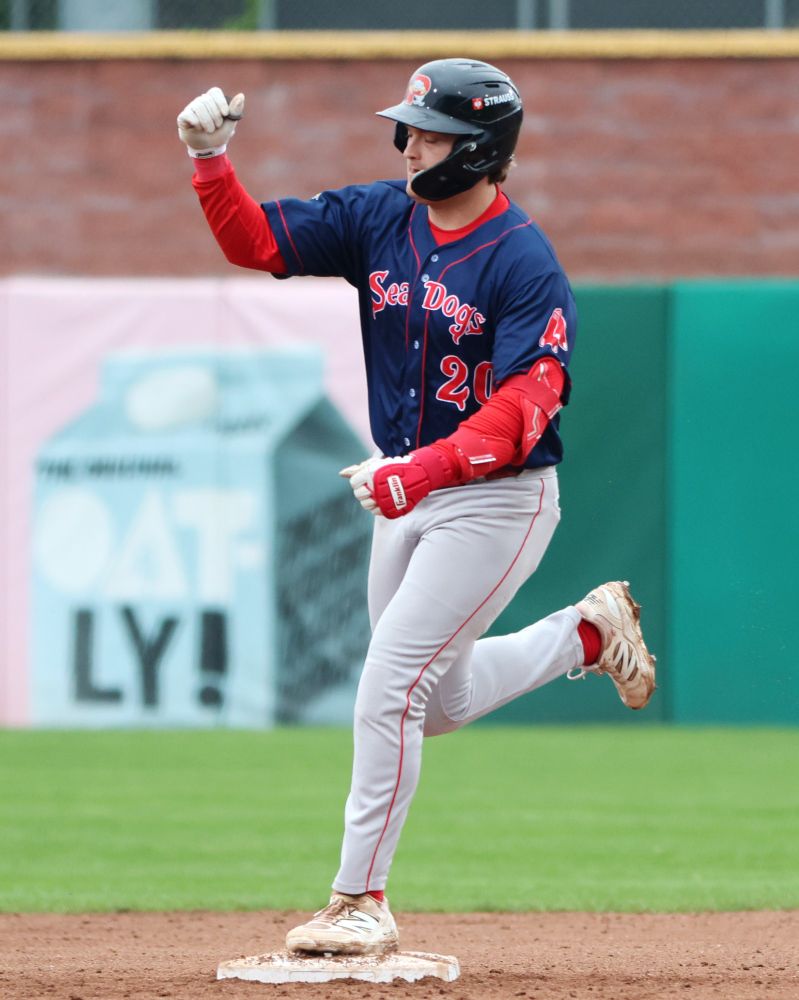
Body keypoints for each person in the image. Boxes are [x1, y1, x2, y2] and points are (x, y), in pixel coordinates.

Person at [177, 58, 656, 957]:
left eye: (432, 132)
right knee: (434, 700)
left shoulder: (523, 261)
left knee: (388, 686)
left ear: (478, 150)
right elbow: (257, 243)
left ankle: (359, 898)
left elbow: (526, 408)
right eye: (412, 128)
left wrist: (423, 473)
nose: (413, 145)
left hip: (497, 500)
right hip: (409, 488)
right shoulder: (380, 217)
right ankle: (585, 637)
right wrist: (210, 163)